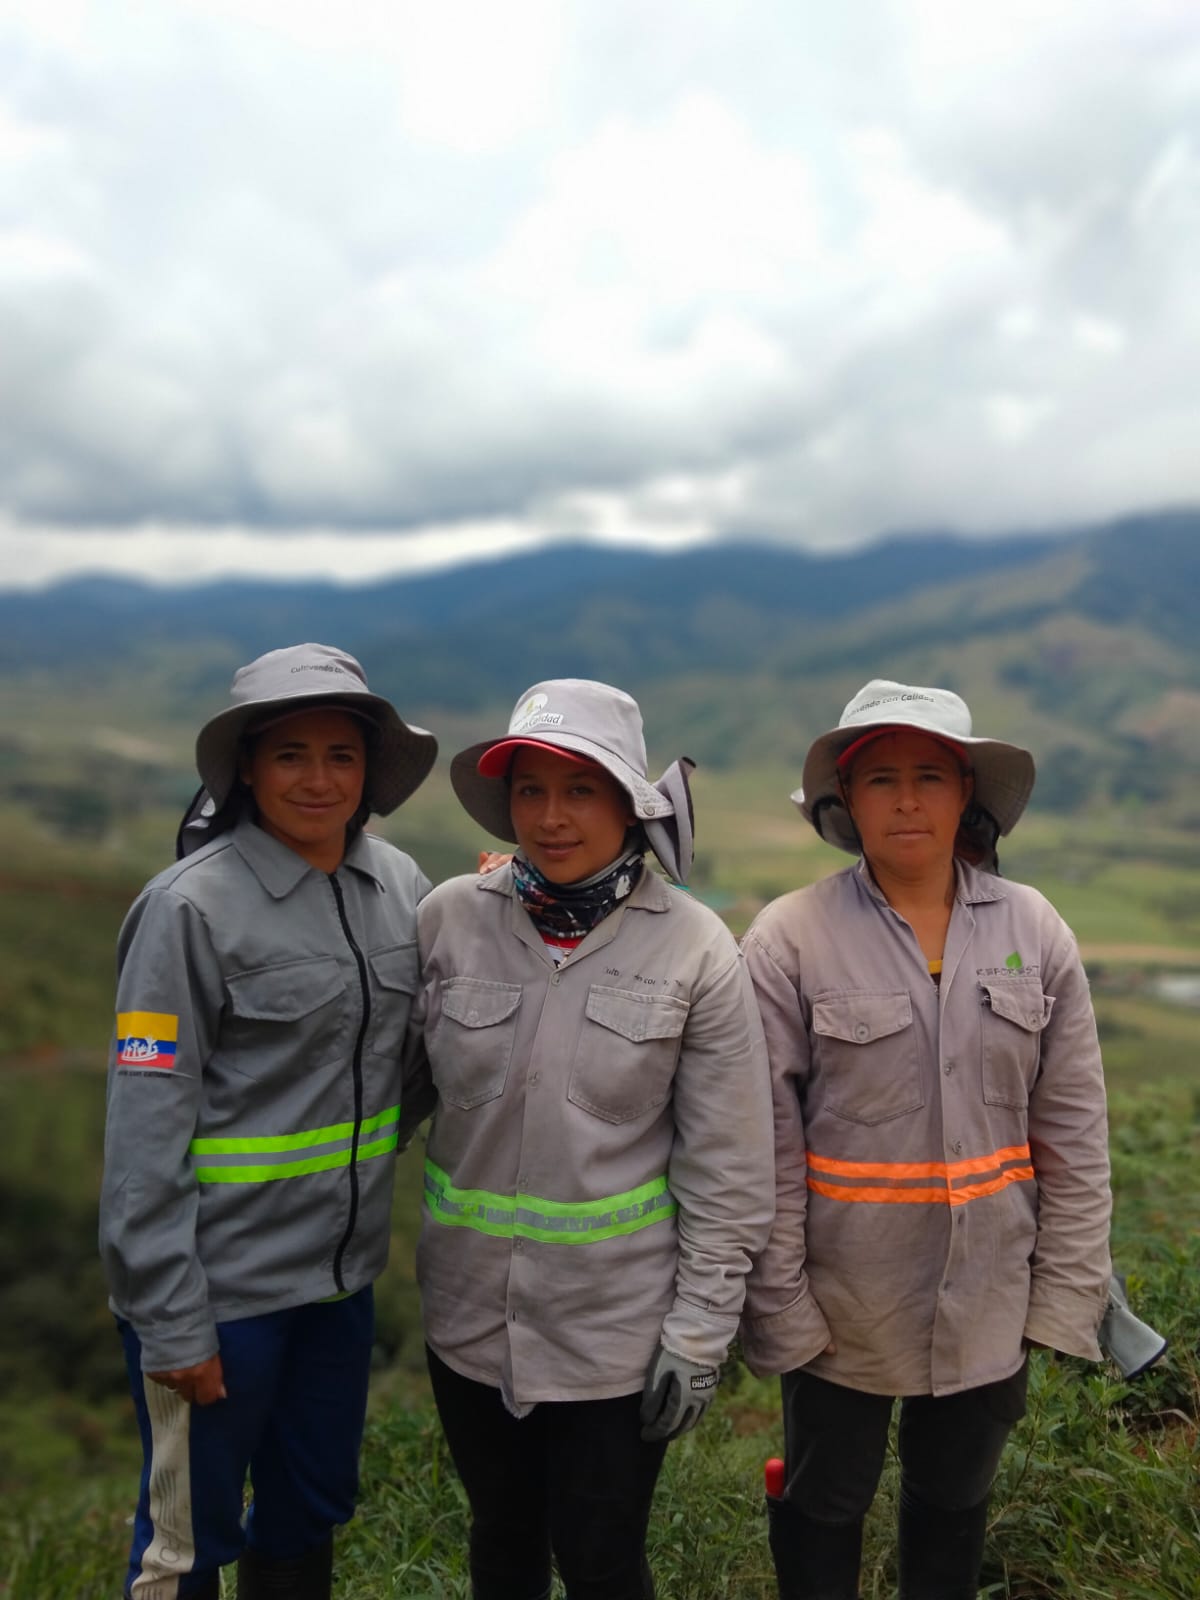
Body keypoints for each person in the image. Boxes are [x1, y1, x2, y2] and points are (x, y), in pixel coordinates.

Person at [740, 679, 1112, 1600]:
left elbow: (1073, 1131)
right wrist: (783, 1305)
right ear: (847, 799)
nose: (907, 801)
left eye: (930, 778)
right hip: (842, 1307)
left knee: (954, 1502)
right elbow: (762, 1146)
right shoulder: (791, 938)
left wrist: (1062, 1297)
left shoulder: (1034, 929)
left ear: (964, 794)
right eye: (882, 780)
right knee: (826, 1502)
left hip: (990, 1297)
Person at [410, 678, 775, 1600]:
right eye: (530, 790)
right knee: (501, 1542)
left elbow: (730, 1166)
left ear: (629, 806)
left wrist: (699, 1335)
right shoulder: (449, 920)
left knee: (602, 1556)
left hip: (615, 1335)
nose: (551, 817)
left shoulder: (696, 949)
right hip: (468, 1322)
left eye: (581, 790)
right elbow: (391, 1090)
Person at [99, 643, 437, 1600]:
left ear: (369, 770)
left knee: (308, 1510)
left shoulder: (401, 888)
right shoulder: (186, 910)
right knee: (186, 1539)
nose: (318, 780)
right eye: (291, 754)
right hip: (220, 1295)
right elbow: (143, 1136)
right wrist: (172, 1321)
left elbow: (420, 1060)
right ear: (246, 767)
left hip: (338, 1289)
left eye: (341, 755)